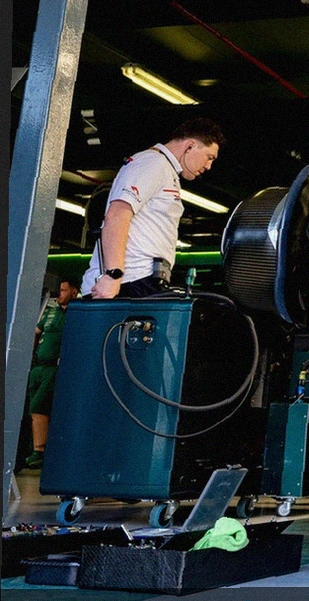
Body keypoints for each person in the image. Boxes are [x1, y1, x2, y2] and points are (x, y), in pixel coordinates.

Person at [81, 118, 225, 299]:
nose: (208, 166)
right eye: (209, 157)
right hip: (127, 282)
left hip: (142, 281)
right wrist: (113, 275)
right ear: (190, 145)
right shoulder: (152, 163)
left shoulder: (166, 171)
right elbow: (117, 215)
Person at [23, 277, 81, 469]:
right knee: (33, 408)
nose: (60, 295)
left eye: (64, 291)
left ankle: (39, 451)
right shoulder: (50, 311)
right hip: (38, 365)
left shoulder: (77, 312)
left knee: (39, 406)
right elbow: (36, 332)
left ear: (73, 292)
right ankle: (33, 448)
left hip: (55, 368)